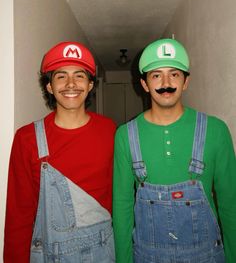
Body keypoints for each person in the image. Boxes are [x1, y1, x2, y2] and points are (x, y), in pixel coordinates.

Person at [113, 38, 236, 263]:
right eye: (156, 75)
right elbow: (122, 207)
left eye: (174, 74)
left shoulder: (215, 130)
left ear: (186, 81)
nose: (166, 82)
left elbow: (231, 204)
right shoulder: (125, 135)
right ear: (144, 84)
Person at [4, 41, 116, 262]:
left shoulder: (110, 130)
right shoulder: (27, 138)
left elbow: (120, 199)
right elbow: (19, 213)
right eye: (61, 76)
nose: (71, 84)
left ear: (91, 84)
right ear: (49, 86)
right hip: (49, 254)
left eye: (80, 76)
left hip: (103, 251)